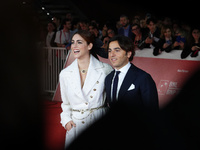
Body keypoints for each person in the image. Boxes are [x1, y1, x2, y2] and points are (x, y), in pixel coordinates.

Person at [59, 30, 113, 148]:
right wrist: (67, 121)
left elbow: (113, 101)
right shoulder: (65, 74)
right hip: (76, 126)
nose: (74, 46)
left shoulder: (106, 70)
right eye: (73, 42)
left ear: (90, 46)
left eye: (79, 42)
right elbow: (65, 103)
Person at [105, 35, 159, 112]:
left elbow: (152, 110)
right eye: (110, 51)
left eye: (117, 50)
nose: (112, 54)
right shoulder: (108, 78)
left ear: (128, 54)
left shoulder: (143, 78)